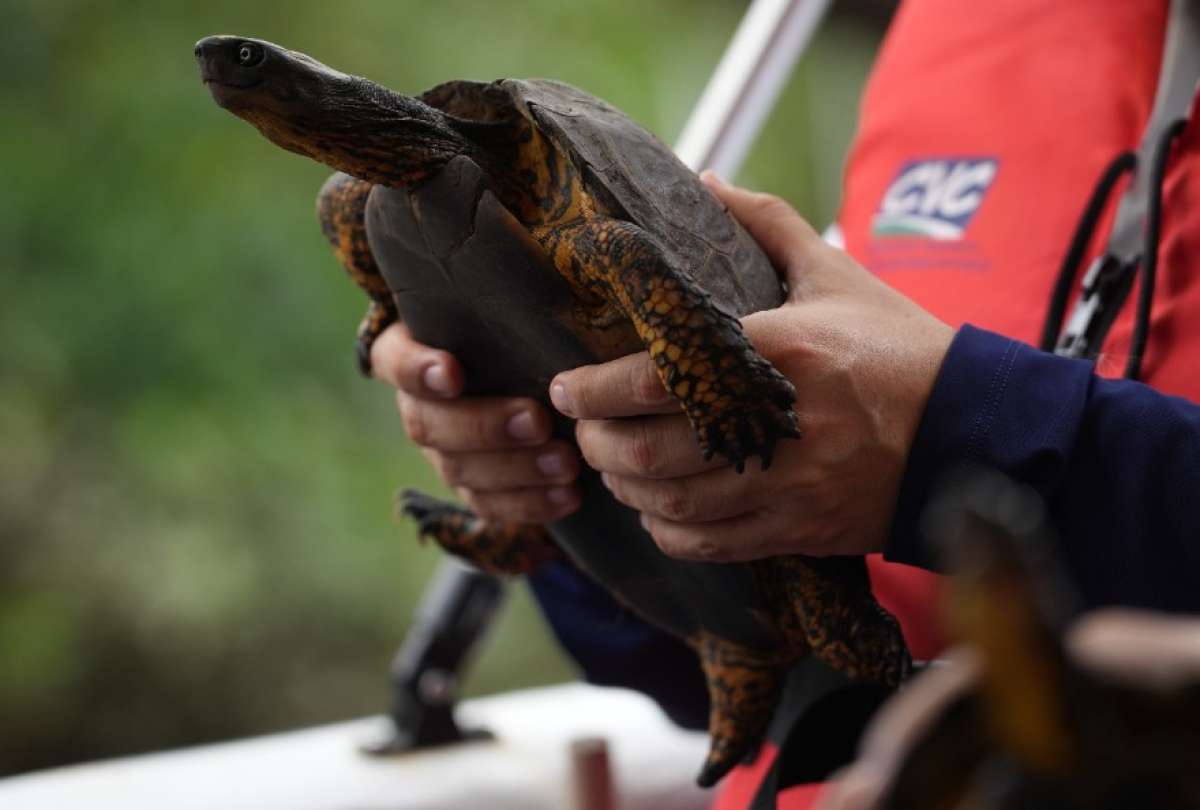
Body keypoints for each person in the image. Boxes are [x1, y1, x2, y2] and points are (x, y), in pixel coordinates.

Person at [370, 0, 1200, 806]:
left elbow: (934, 438)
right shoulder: (959, 26)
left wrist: (970, 430)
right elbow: (732, 685)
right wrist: (572, 474)